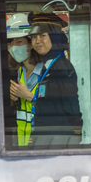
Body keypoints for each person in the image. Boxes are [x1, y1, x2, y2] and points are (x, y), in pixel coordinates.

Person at [27, 13, 82, 146]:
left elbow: (71, 105)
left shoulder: (62, 67)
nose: (37, 41)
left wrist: (75, 131)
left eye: (43, 35)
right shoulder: (47, 66)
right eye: (34, 37)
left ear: (55, 37)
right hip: (46, 136)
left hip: (57, 138)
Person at [6, 12, 43, 146]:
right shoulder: (20, 73)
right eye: (11, 42)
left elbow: (57, 108)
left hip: (43, 144)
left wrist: (29, 96)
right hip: (24, 145)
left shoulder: (46, 72)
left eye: (19, 41)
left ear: (31, 43)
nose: (13, 47)